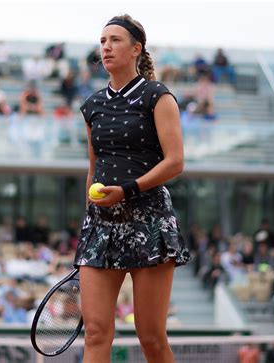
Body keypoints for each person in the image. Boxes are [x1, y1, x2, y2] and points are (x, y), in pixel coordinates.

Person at [74, 15, 191, 363]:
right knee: (95, 333)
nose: (106, 47)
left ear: (136, 49)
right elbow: (94, 168)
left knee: (151, 337)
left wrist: (125, 190)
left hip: (150, 221)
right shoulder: (92, 104)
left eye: (115, 40)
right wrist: (89, 219)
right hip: (101, 225)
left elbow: (175, 162)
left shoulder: (158, 96)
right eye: (102, 41)